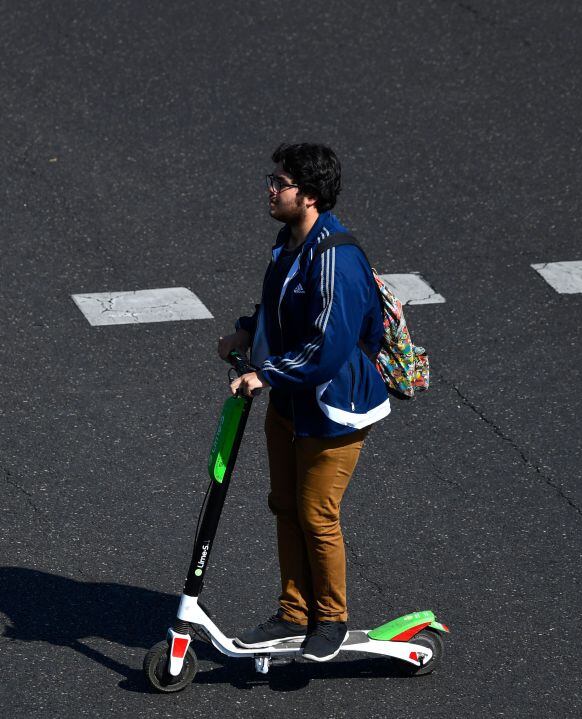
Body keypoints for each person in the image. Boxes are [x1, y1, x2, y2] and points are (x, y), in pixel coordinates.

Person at [217, 143, 390, 662]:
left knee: (317, 514)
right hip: (294, 401)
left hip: (334, 406)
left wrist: (263, 373)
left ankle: (331, 617)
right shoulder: (289, 240)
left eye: (281, 182)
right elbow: (278, 303)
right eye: (271, 178)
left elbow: (327, 347)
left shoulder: (335, 257)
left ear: (309, 196)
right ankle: (294, 612)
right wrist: (248, 332)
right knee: (285, 506)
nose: (271, 189)